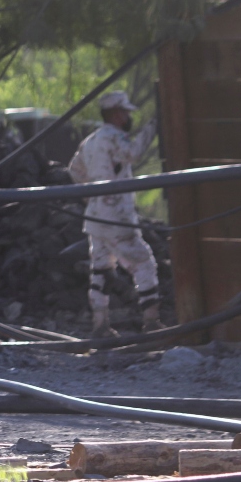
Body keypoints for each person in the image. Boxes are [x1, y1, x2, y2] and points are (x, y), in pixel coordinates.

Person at [68, 91, 161, 337]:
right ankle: (151, 322)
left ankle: (100, 325)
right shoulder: (114, 138)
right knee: (143, 262)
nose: (128, 117)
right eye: (125, 113)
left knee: (101, 269)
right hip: (117, 216)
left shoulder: (90, 141)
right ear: (116, 114)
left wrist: (93, 194)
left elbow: (75, 169)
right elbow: (134, 153)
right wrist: (154, 126)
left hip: (95, 218)